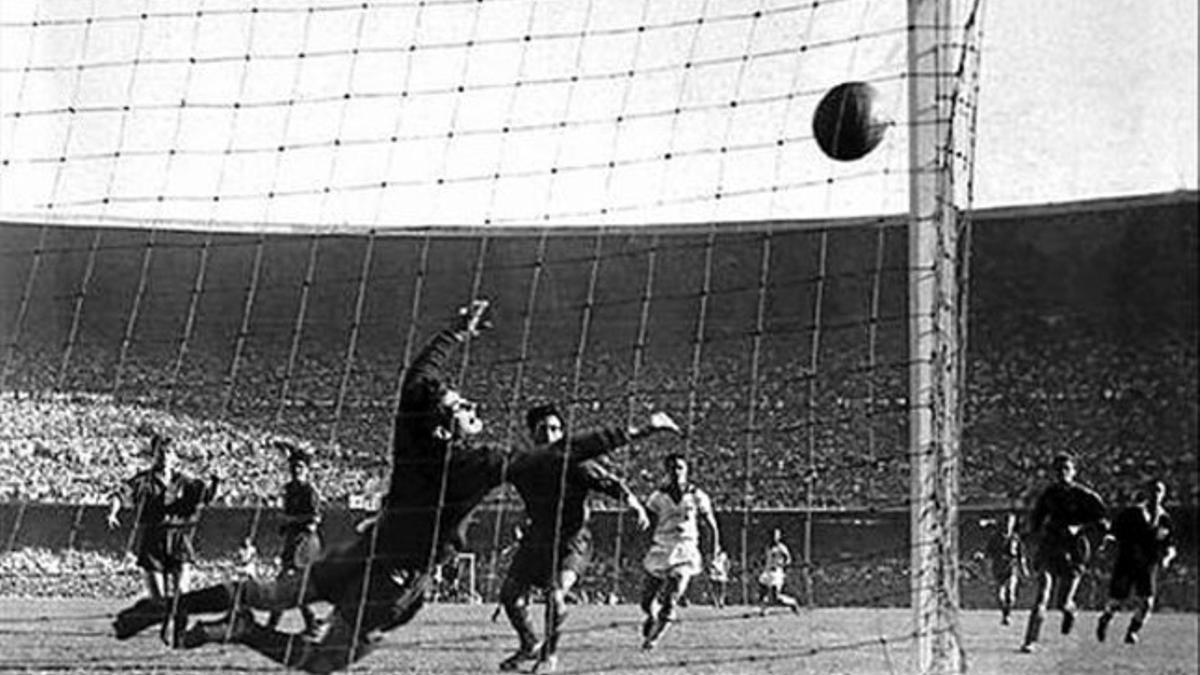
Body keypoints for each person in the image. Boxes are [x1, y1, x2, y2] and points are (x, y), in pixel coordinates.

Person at [113, 299, 681, 673]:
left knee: (274, 594)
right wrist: (633, 430)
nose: (471, 404)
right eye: (463, 404)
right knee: (323, 662)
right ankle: (236, 632)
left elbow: (418, 379)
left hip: (364, 550)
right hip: (395, 579)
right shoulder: (480, 463)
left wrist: (454, 331)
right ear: (451, 421)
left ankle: (159, 607)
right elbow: (563, 452)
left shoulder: (413, 442)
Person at [498, 403, 654, 673]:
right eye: (543, 429)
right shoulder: (522, 465)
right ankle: (529, 644)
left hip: (573, 540)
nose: (550, 433)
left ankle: (549, 655)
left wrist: (634, 504)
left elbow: (611, 483)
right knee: (510, 596)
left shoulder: (576, 464)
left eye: (556, 428)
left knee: (556, 596)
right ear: (532, 435)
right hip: (537, 538)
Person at [107, 433, 219, 642]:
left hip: (178, 538)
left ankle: (179, 637)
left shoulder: (183, 481)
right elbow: (120, 494)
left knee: (182, 594)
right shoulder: (143, 480)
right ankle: (166, 624)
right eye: (160, 453)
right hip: (152, 540)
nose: (165, 457)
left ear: (175, 456)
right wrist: (113, 512)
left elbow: (206, 496)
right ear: (154, 455)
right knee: (158, 601)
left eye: (169, 452)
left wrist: (216, 481)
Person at [1019, 453, 1108, 653]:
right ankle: (1030, 640)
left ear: (1074, 471)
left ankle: (1069, 611)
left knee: (1062, 602)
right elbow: (1036, 521)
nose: (1062, 473)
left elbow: (1103, 524)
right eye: (1058, 470)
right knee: (1042, 595)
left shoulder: (1086, 497)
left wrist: (1079, 528)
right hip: (1050, 547)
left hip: (1074, 550)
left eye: (1066, 469)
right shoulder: (1048, 495)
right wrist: (1029, 535)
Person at [638, 453, 722, 650]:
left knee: (671, 597)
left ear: (686, 470)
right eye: (672, 468)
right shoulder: (657, 497)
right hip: (661, 548)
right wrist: (644, 547)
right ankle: (651, 616)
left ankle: (652, 640)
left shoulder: (697, 496)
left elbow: (711, 525)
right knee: (646, 601)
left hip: (686, 550)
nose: (676, 472)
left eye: (680, 468)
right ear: (666, 471)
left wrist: (713, 551)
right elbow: (646, 525)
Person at [1095, 480, 1176, 645]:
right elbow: (1113, 532)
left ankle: (1132, 632)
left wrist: (1167, 556)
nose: (1156, 494)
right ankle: (1105, 619)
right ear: (1146, 492)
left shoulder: (1165, 519)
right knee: (1116, 602)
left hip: (1148, 565)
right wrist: (1107, 542)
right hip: (1126, 562)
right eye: (1153, 490)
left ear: (1164, 495)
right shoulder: (1132, 513)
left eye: (1159, 491)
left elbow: (1170, 544)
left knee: (1147, 603)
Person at [265, 442, 324, 636]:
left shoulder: (310, 491)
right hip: (293, 539)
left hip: (305, 542)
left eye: (300, 467)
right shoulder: (289, 489)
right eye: (293, 467)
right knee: (286, 584)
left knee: (288, 582)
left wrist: (293, 520)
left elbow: (315, 518)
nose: (295, 470)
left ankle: (273, 625)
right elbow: (288, 513)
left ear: (306, 470)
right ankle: (309, 622)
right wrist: (284, 524)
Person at [977, 512, 1028, 625]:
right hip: (998, 568)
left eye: (1010, 522)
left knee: (1010, 593)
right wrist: (981, 555)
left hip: (1012, 568)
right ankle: (1005, 613)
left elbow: (1021, 555)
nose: (1008, 525)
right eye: (1006, 522)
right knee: (1000, 596)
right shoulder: (995, 538)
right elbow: (988, 552)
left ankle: (1008, 615)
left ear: (1013, 524)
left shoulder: (1016, 539)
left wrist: (1024, 569)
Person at [757, 528, 801, 615]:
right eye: (772, 535)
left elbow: (788, 559)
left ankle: (792, 603)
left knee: (776, 597)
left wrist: (782, 564)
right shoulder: (768, 547)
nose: (774, 537)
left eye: (776, 535)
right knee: (762, 590)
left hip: (776, 573)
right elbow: (765, 558)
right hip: (767, 572)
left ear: (779, 537)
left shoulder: (782, 548)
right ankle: (763, 610)